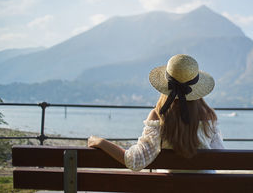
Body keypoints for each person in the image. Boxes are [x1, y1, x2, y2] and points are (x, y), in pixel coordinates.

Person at [88, 54, 224, 171]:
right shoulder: (208, 118)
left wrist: (100, 142)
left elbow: (134, 161)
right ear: (196, 90)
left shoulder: (158, 117)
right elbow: (221, 159)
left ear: (165, 87)